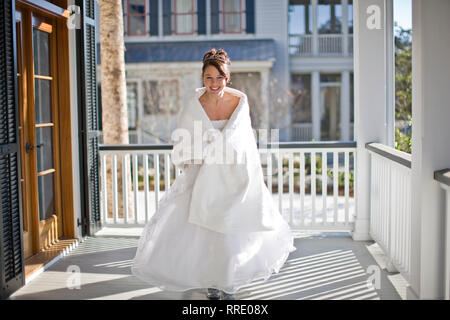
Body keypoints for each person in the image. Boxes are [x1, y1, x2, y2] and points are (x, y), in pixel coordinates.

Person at [131, 48, 296, 300]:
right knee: (203, 230)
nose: (214, 83)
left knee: (229, 228)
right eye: (209, 78)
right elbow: (185, 141)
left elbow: (243, 140)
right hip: (201, 173)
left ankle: (227, 280)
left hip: (232, 171)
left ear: (228, 78)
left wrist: (229, 155)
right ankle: (210, 280)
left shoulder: (239, 102)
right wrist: (204, 152)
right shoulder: (194, 106)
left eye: (220, 78)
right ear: (202, 78)